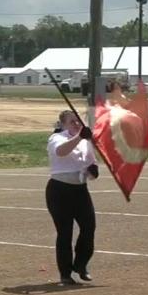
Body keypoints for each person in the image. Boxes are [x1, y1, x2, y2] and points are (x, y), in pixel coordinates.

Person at [46, 110, 98, 285]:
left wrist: (93, 171)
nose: (76, 124)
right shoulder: (57, 138)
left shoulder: (86, 141)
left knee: (89, 227)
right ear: (63, 124)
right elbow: (61, 152)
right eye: (72, 122)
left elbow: (90, 164)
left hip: (80, 190)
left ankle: (81, 265)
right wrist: (79, 137)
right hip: (59, 191)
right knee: (65, 232)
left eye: (79, 121)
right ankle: (65, 273)